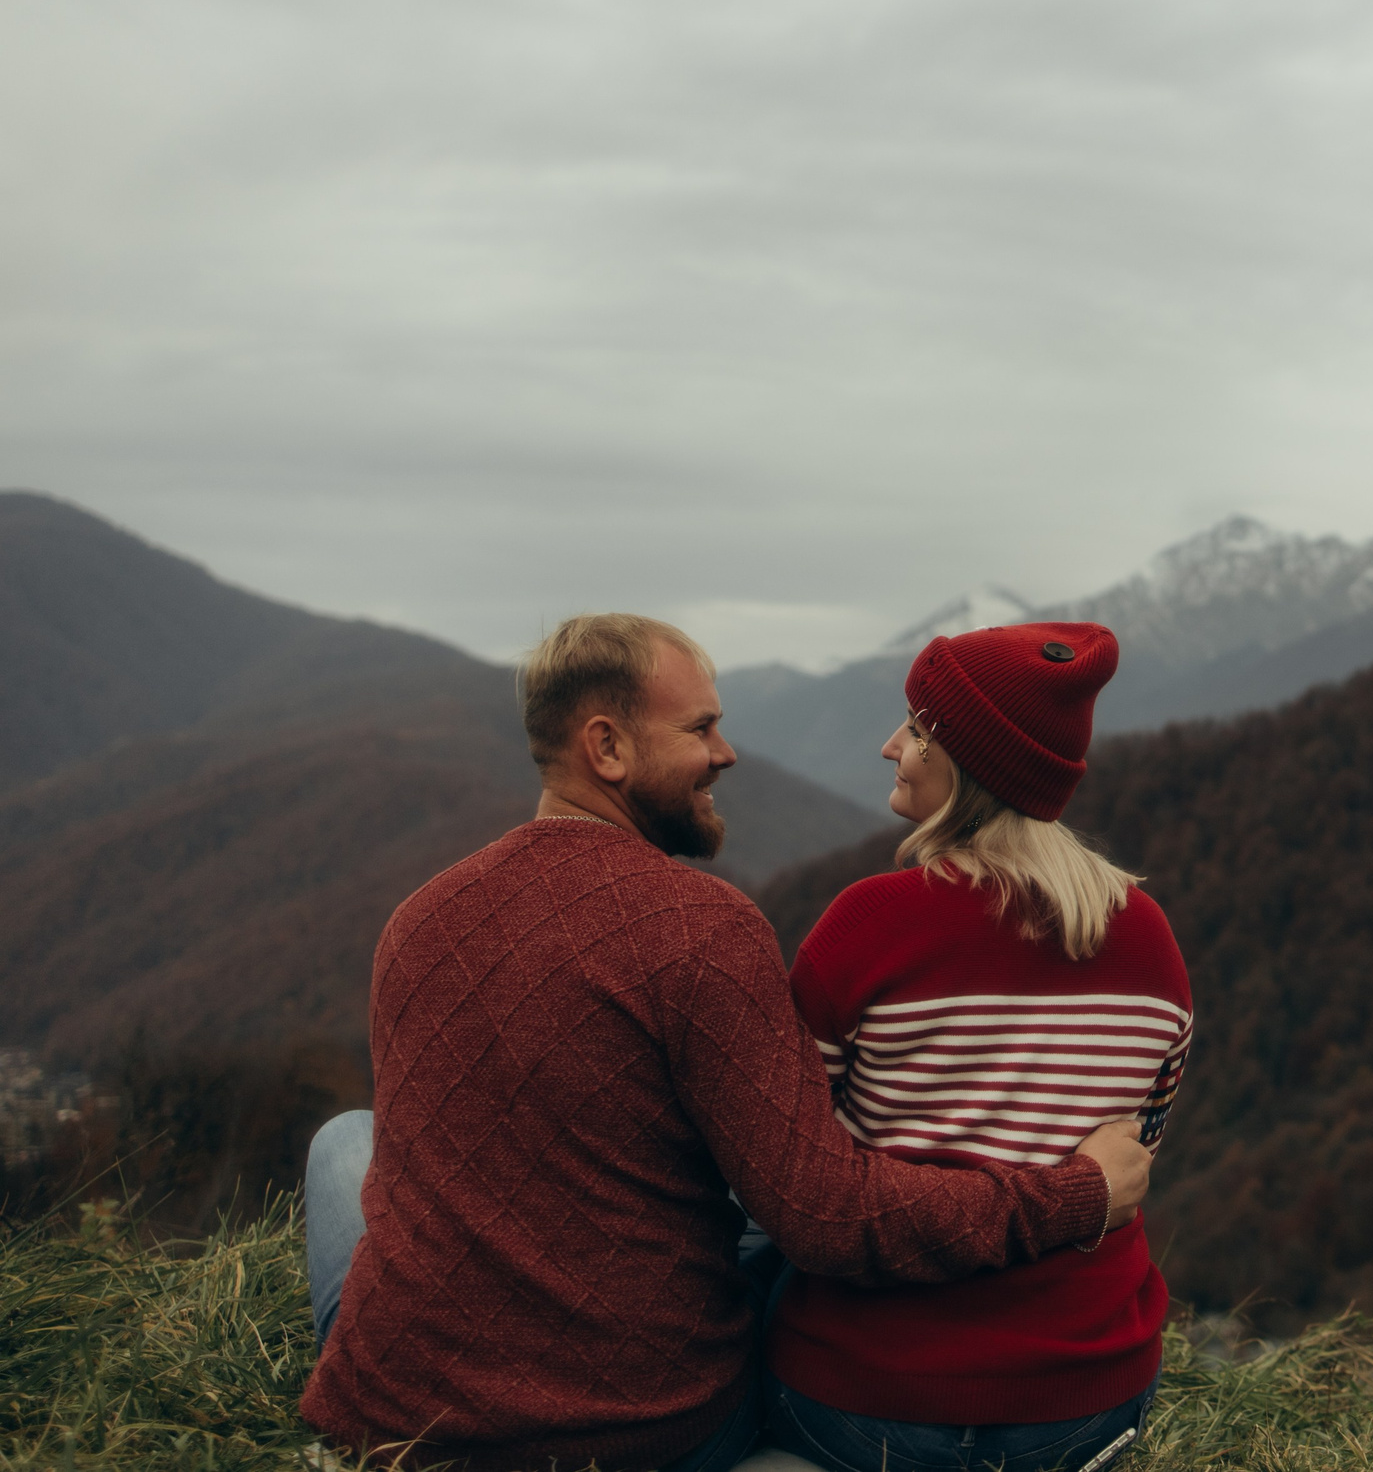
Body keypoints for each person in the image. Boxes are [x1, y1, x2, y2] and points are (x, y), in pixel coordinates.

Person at [298, 614, 1154, 1472]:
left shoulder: (417, 920)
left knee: (347, 1139)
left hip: (404, 1424)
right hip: (652, 1433)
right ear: (607, 747)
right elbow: (826, 1218)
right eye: (700, 727)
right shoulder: (703, 927)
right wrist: (1076, 1194)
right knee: (761, 1210)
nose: (727, 752)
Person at [764, 622, 1192, 1472]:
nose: (891, 746)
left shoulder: (867, 923)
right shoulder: (1149, 937)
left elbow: (794, 1158)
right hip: (1084, 1400)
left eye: (915, 728)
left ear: (965, 761)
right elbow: (1137, 1150)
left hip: (865, 1399)